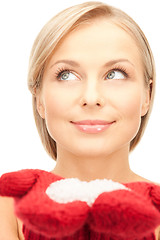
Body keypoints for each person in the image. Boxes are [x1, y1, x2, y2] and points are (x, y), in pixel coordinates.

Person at [0, 1, 159, 239]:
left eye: (115, 74)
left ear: (147, 96)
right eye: (66, 75)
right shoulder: (7, 206)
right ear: (39, 98)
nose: (91, 98)